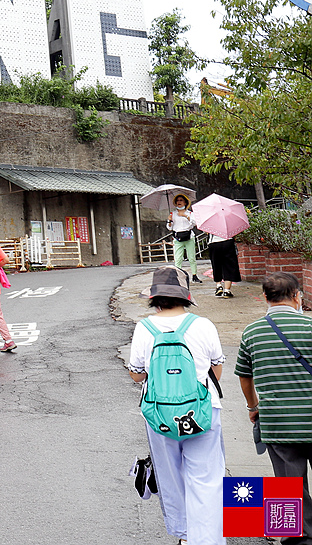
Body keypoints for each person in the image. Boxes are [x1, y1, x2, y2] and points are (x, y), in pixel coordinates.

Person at [128, 266, 226, 545]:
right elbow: (215, 370)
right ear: (185, 296)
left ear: (154, 298)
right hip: (204, 412)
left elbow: (136, 375)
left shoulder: (144, 328)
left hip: (159, 415)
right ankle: (207, 540)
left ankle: (184, 535)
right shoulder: (203, 325)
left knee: (171, 476)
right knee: (206, 477)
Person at [236, 271, 312, 544]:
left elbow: (245, 375)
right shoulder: (310, 327)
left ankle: (297, 538)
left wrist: (252, 406)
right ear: (296, 297)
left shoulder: (252, 332)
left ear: (265, 298)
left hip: (277, 422)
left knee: (287, 484)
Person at [168, 193, 200, 282]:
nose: (179, 202)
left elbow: (194, 223)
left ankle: (194, 275)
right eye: (177, 200)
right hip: (178, 237)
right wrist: (169, 221)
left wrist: (185, 216)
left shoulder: (189, 213)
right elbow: (170, 228)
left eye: (181, 200)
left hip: (189, 236)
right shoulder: (173, 214)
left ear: (185, 202)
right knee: (178, 258)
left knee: (192, 257)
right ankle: (178, 276)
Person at [207, 233, 240, 298]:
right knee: (228, 266)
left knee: (216, 265)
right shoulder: (229, 222)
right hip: (227, 242)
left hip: (214, 242)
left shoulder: (209, 223)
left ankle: (219, 286)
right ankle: (227, 291)